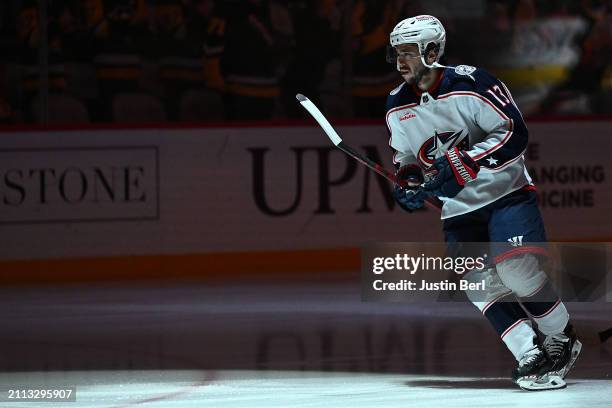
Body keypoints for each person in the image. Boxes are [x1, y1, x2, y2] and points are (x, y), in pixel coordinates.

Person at [385, 15, 581, 390]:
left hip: (506, 195)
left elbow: (514, 133)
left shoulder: (472, 82)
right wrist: (409, 180)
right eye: (397, 53)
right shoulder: (397, 103)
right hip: (458, 208)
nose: (401, 62)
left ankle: (561, 338)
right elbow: (405, 155)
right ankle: (530, 352)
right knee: (477, 283)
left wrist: (465, 160)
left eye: (408, 52)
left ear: (431, 51)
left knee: (518, 272)